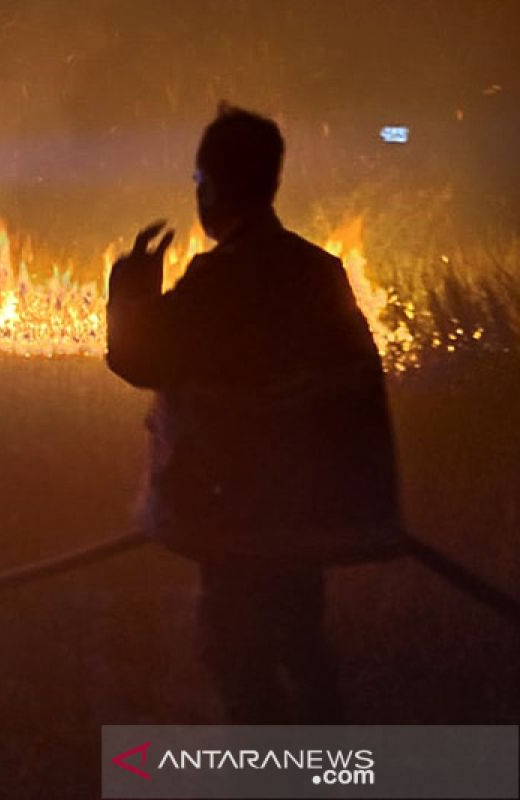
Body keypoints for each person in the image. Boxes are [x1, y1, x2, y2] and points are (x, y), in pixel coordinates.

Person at [105, 104, 405, 723]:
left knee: (235, 653)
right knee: (300, 637)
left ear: (211, 185)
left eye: (198, 182)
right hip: (311, 507)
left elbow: (141, 361)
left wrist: (131, 286)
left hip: (240, 512)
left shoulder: (222, 280)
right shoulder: (319, 271)